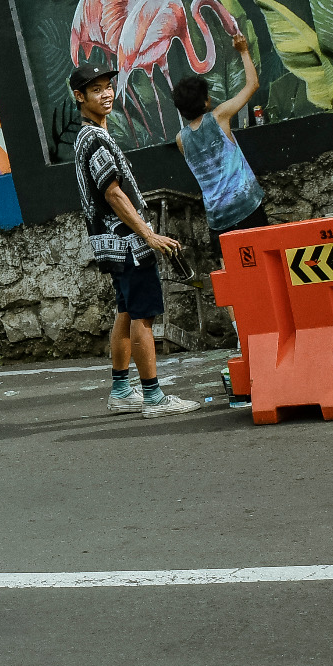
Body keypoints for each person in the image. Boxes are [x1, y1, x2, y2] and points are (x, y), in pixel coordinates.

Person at [69, 64, 201, 419]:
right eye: (95, 90)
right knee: (143, 316)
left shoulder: (90, 136)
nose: (106, 94)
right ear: (80, 97)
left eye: (107, 87)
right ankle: (154, 397)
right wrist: (148, 233)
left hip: (111, 244)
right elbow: (112, 193)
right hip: (126, 242)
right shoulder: (94, 139)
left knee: (126, 312)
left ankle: (121, 390)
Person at [171, 32, 269, 250]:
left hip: (218, 221)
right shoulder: (219, 117)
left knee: (235, 277)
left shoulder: (181, 139)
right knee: (264, 265)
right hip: (247, 210)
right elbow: (252, 84)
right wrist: (243, 50)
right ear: (207, 101)